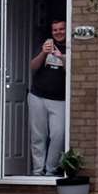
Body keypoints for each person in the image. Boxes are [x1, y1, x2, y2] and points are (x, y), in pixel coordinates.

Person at [27, 19, 68, 176]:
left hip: (59, 99)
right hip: (38, 96)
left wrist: (62, 57)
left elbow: (74, 70)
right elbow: (33, 66)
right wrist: (44, 52)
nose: (58, 32)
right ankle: (38, 171)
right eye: (55, 30)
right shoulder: (46, 44)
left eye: (61, 29)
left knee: (58, 135)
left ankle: (50, 170)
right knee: (38, 135)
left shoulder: (72, 46)